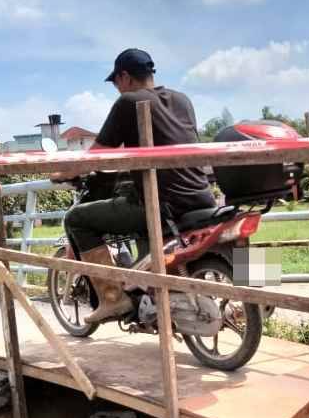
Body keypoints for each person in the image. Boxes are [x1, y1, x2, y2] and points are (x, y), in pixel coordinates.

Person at [64, 48, 216, 323]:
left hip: (162, 204)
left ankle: (113, 299)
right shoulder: (183, 100)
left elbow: (97, 154)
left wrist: (64, 172)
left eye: (115, 83)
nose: (116, 89)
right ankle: (151, 292)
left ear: (125, 77)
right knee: (140, 216)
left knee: (76, 218)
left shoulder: (129, 102)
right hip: (203, 198)